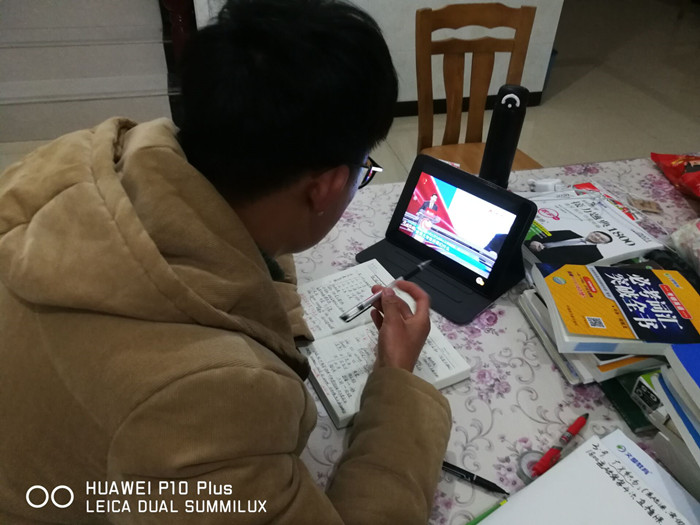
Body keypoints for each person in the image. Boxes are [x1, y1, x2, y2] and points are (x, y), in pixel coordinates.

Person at [0, 1, 451, 524]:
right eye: (361, 174)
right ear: (325, 187)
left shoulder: (88, 159)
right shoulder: (215, 394)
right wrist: (396, 377)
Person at [526, 229, 613, 265]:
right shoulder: (569, 232)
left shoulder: (595, 255)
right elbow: (544, 234)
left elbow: (567, 262)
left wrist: (541, 251)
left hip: (540, 262)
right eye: (597, 234)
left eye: (602, 239)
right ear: (592, 232)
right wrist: (535, 241)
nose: (597, 238)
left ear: (604, 243)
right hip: (528, 245)